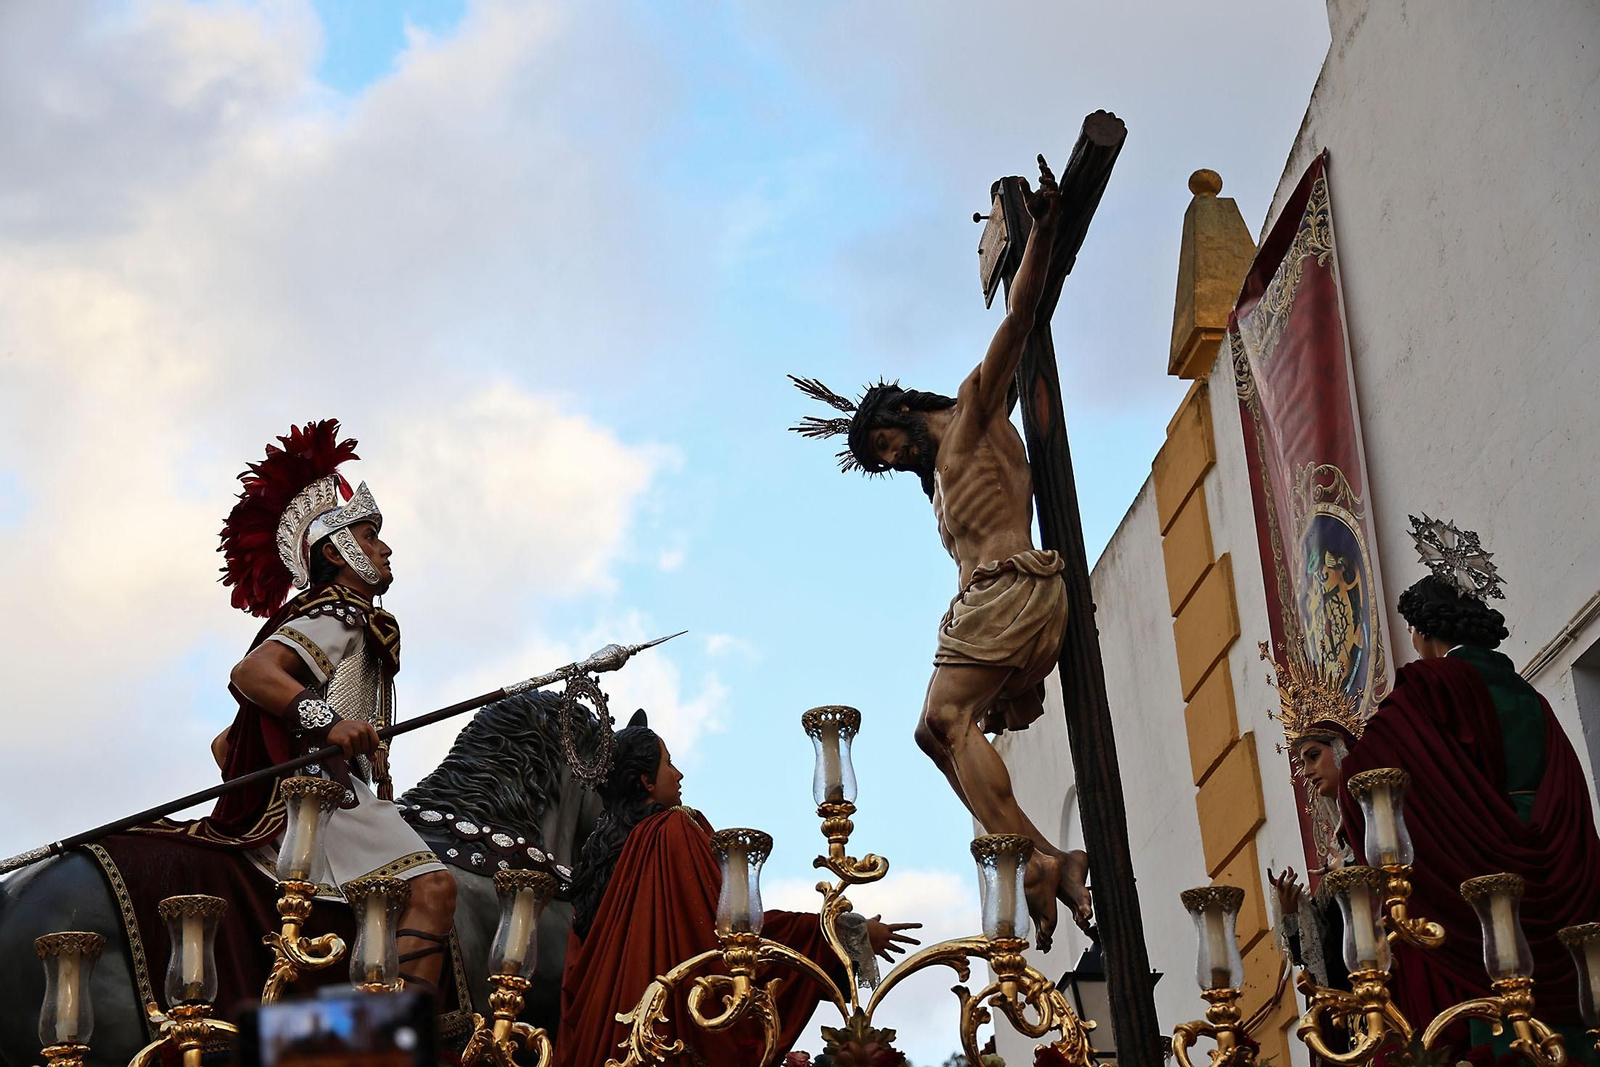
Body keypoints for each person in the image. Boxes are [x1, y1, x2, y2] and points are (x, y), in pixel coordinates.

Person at [789, 154, 1090, 951]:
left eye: (883, 443)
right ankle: (1044, 855)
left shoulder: (974, 410)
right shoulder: (937, 482)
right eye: (879, 458)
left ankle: (1034, 858)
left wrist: (1045, 231)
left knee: (943, 716)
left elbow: (1020, 317)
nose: (888, 460)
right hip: (982, 600)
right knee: (933, 733)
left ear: (897, 410)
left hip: (1013, 586)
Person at [142, 420, 456, 994]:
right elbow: (253, 673)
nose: (384, 547)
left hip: (321, 796)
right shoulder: (339, 613)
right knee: (434, 889)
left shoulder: (334, 616)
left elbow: (225, 745)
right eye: (368, 535)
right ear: (336, 551)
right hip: (325, 799)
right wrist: (329, 724)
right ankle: (404, 1040)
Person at [1339, 515, 1600, 1062]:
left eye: (1413, 634)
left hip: (1487, 871)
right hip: (1559, 865)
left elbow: (1370, 770)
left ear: (1428, 633)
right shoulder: (1532, 698)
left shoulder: (1434, 684)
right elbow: (1567, 782)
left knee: (1501, 1008)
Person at [558, 712, 921, 1067]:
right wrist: (839, 933)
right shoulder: (671, 831)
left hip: (603, 1048)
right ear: (646, 782)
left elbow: (575, 984)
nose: (679, 773)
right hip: (667, 1039)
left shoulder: (593, 867)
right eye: (669, 763)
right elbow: (731, 931)